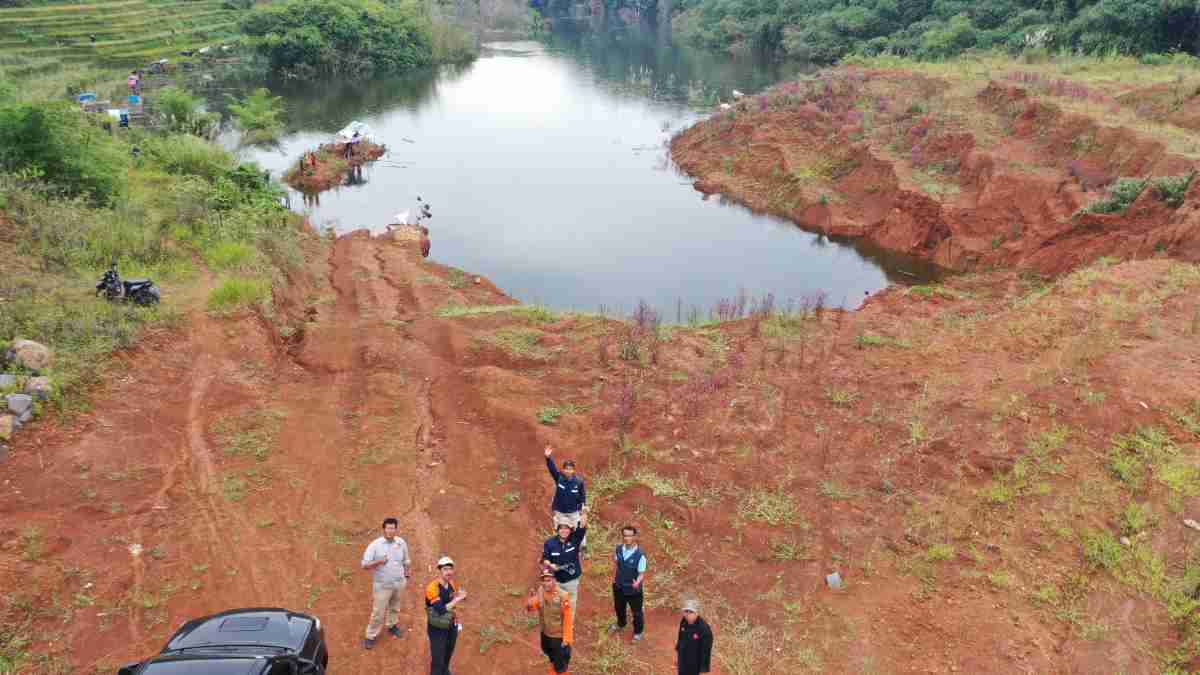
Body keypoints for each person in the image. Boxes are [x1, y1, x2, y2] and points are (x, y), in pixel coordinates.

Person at [360, 517, 411, 650]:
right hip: (383, 585)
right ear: (384, 529)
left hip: (399, 583)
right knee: (378, 612)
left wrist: (406, 574)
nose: (391, 530)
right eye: (388, 528)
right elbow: (364, 565)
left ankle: (392, 625)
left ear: (396, 529)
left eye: (393, 528)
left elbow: (406, 560)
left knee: (395, 607)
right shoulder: (375, 545)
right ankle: (370, 636)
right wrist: (379, 561)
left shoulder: (401, 543)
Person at [526, 567, 574, 674]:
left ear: (554, 580)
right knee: (551, 656)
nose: (545, 583)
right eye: (543, 580)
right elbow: (534, 606)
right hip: (546, 634)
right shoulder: (540, 591)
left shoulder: (563, 596)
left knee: (560, 666)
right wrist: (530, 603)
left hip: (558, 637)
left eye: (548, 580)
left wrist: (566, 639)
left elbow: (568, 619)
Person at [541, 513, 587, 622]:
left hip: (572, 581)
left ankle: (568, 628)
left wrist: (584, 512)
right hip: (556, 582)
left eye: (567, 528)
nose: (564, 531)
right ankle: (557, 625)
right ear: (557, 529)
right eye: (561, 528)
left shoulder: (575, 539)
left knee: (570, 605)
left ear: (571, 530)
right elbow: (545, 558)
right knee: (556, 604)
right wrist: (550, 565)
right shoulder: (549, 543)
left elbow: (582, 525)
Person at [425, 556, 466, 675]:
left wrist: (457, 618)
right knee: (438, 657)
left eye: (450, 569)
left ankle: (445, 670)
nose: (448, 572)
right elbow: (441, 610)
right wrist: (458, 599)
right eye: (445, 569)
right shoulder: (432, 588)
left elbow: (452, 602)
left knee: (448, 651)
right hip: (437, 628)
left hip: (451, 625)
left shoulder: (451, 584)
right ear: (439, 571)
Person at [544, 445, 586, 548]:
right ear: (563, 470)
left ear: (573, 470)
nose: (568, 471)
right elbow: (552, 469)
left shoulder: (579, 482)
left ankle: (582, 548)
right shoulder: (559, 478)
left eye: (570, 469)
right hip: (560, 511)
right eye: (566, 469)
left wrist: (583, 510)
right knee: (561, 531)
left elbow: (583, 496)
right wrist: (548, 457)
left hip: (574, 512)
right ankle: (560, 548)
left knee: (580, 529)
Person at [612, 525, 646, 641]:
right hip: (619, 586)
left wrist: (638, 582)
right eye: (625, 535)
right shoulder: (618, 549)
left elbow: (641, 573)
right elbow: (616, 562)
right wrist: (614, 578)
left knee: (636, 612)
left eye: (630, 536)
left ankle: (638, 632)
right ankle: (621, 624)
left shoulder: (640, 555)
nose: (627, 538)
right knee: (619, 607)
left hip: (633, 589)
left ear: (635, 537)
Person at [675, 599, 713, 675]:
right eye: (686, 611)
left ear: (697, 613)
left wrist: (703, 668)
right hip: (683, 657)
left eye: (691, 612)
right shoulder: (684, 621)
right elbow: (680, 636)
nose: (688, 614)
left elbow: (706, 650)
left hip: (694, 662)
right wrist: (678, 650)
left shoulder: (704, 629)